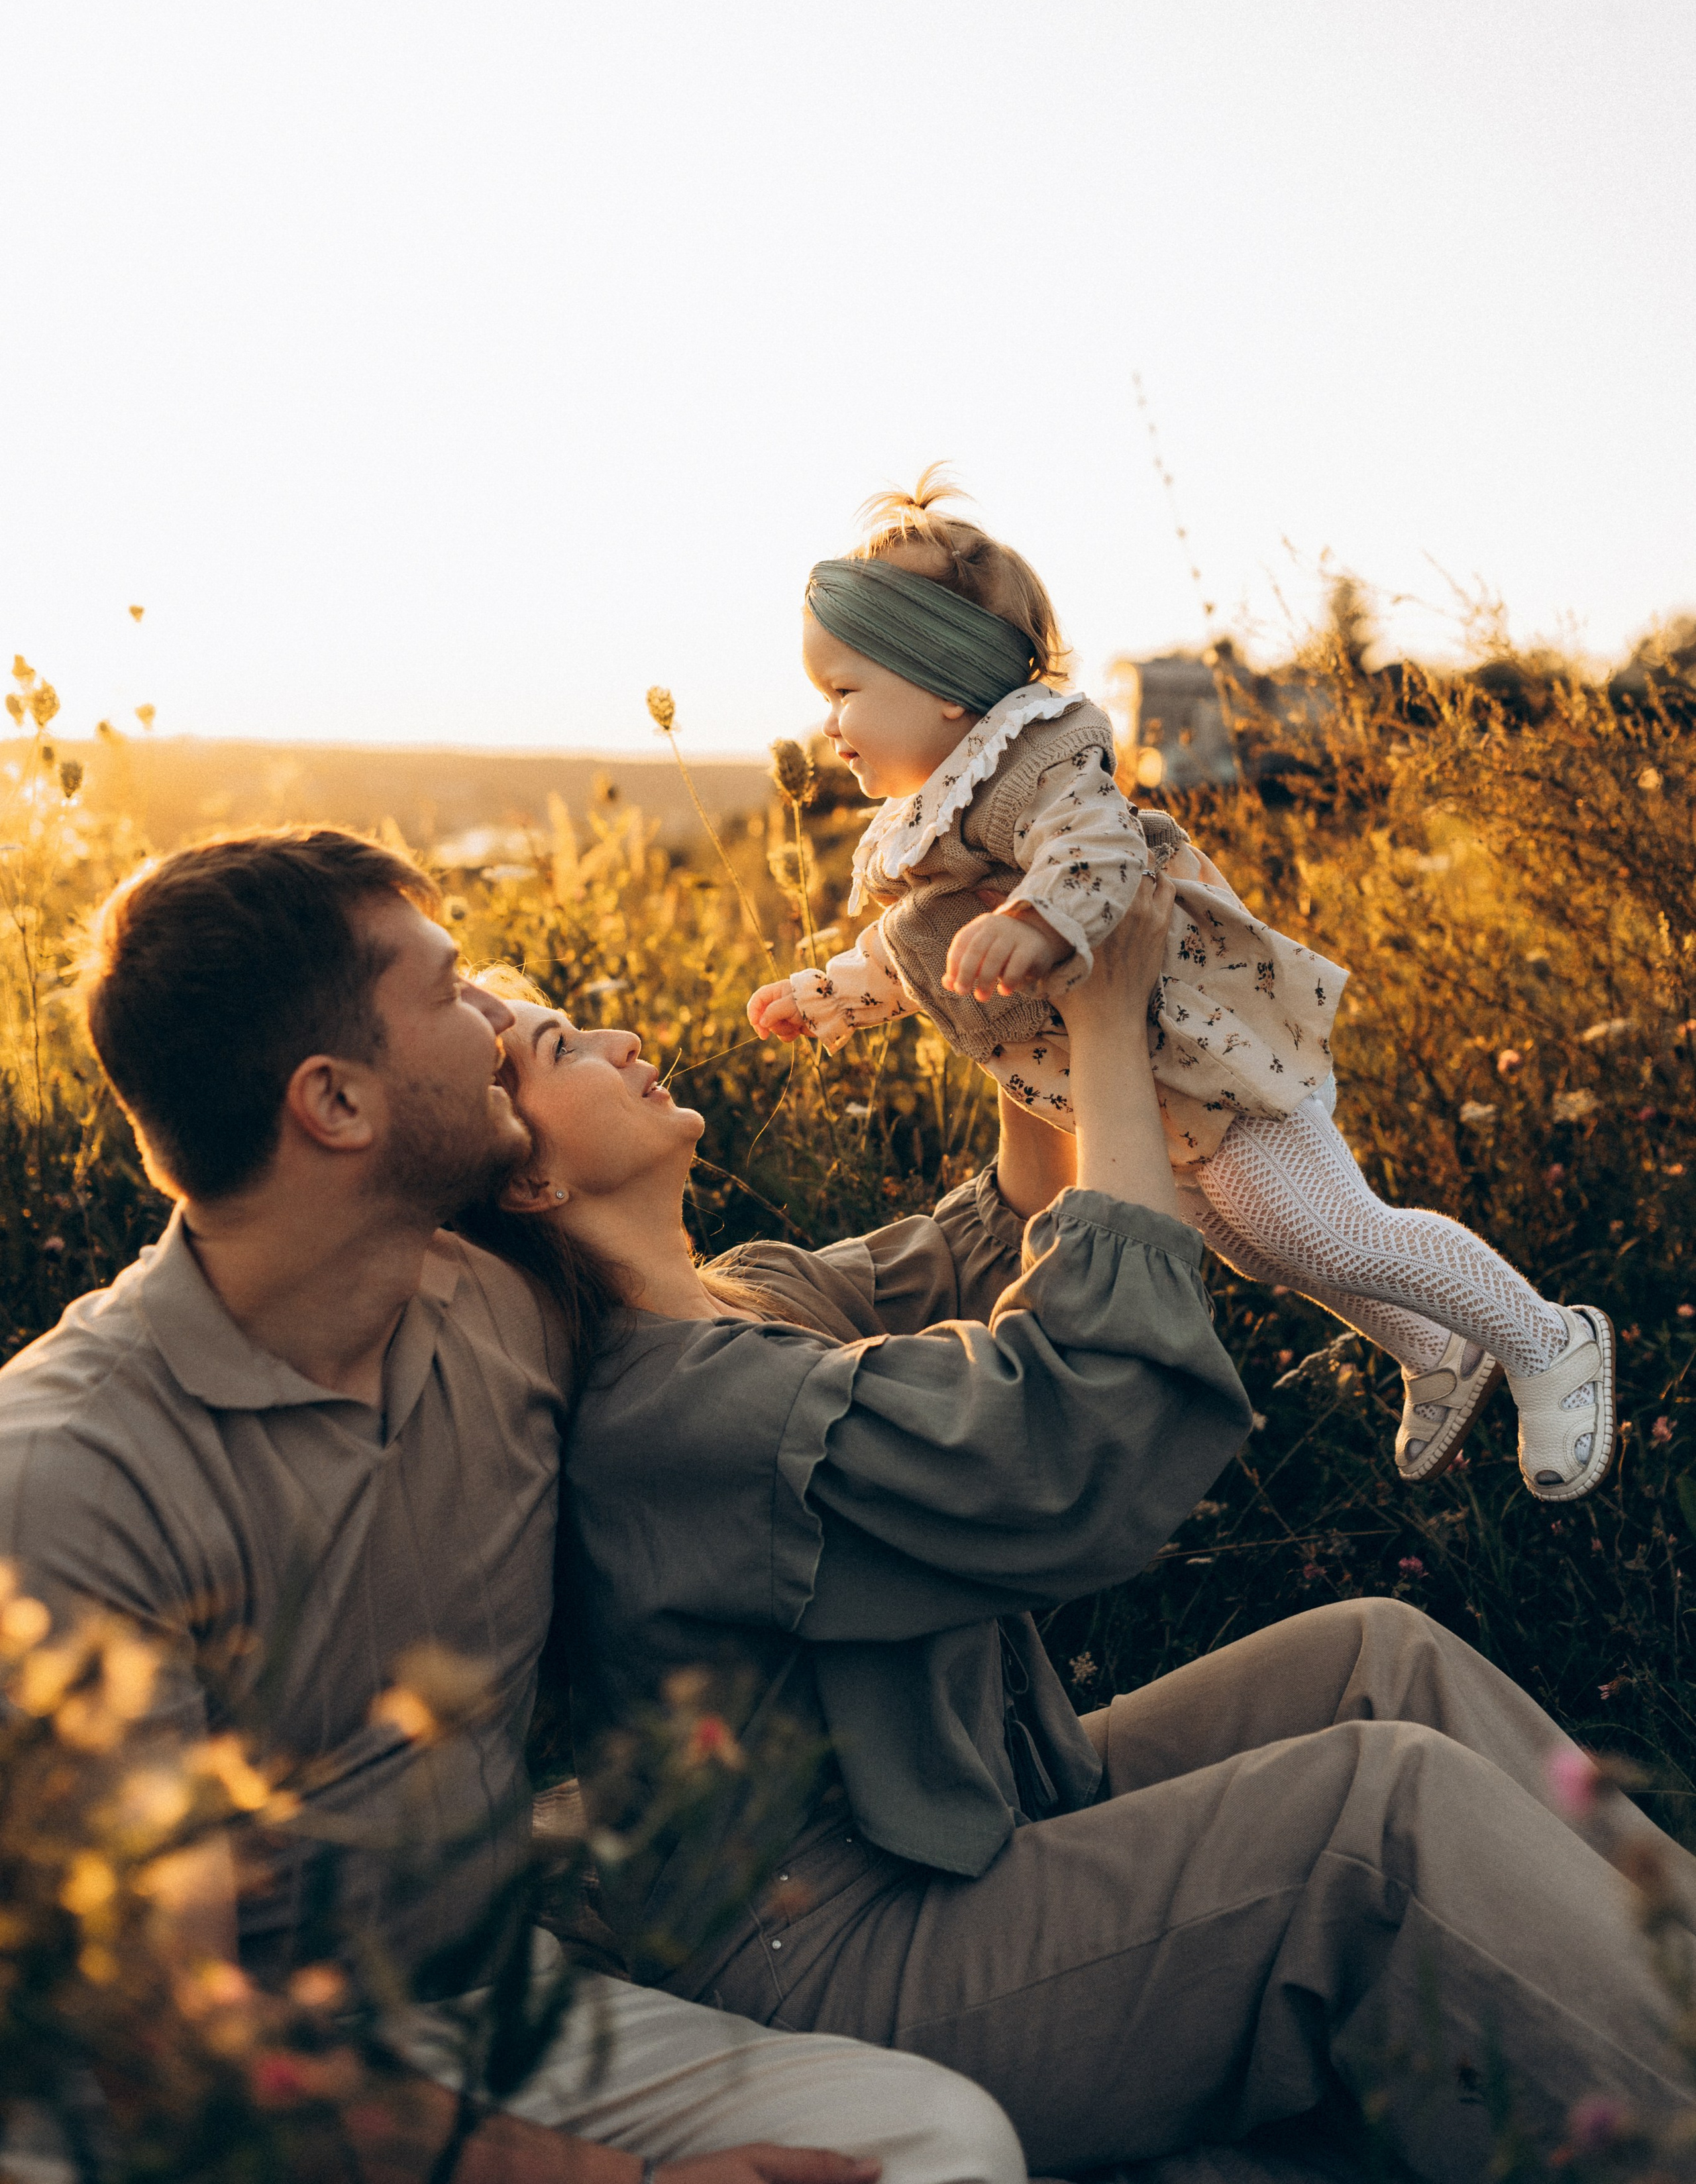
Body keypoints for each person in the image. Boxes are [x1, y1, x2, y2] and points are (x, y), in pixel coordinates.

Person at [467, 883, 1696, 2183]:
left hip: (962, 1820)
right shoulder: (671, 1418)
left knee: (1379, 1657)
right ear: (531, 1176)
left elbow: (1004, 1216)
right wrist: (1107, 1029)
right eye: (563, 1048)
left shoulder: (742, 1291)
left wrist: (1021, 1012)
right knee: (1371, 1818)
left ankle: (1663, 1974)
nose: (619, 1043)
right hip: (831, 1950)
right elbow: (1079, 1430)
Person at [0, 829, 1024, 2184]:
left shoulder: (504, 1306)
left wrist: (1034, 1043)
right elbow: (163, 2047)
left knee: (932, 2144)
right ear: (337, 1103)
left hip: (486, 1999)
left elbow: (777, 1320)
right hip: (193, 2107)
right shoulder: (67, 1478)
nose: (494, 1022)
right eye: (447, 995)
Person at [744, 472, 1611, 1504]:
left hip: (1207, 1048)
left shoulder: (1035, 762)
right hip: (1146, 1092)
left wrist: (1033, 919)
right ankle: (1438, 1350)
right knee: (1263, 1247)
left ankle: (1548, 1341)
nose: (828, 725)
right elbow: (919, 951)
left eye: (842, 692)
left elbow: (1097, 849)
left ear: (941, 682)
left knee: (1329, 1227)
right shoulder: (929, 828)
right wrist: (831, 997)